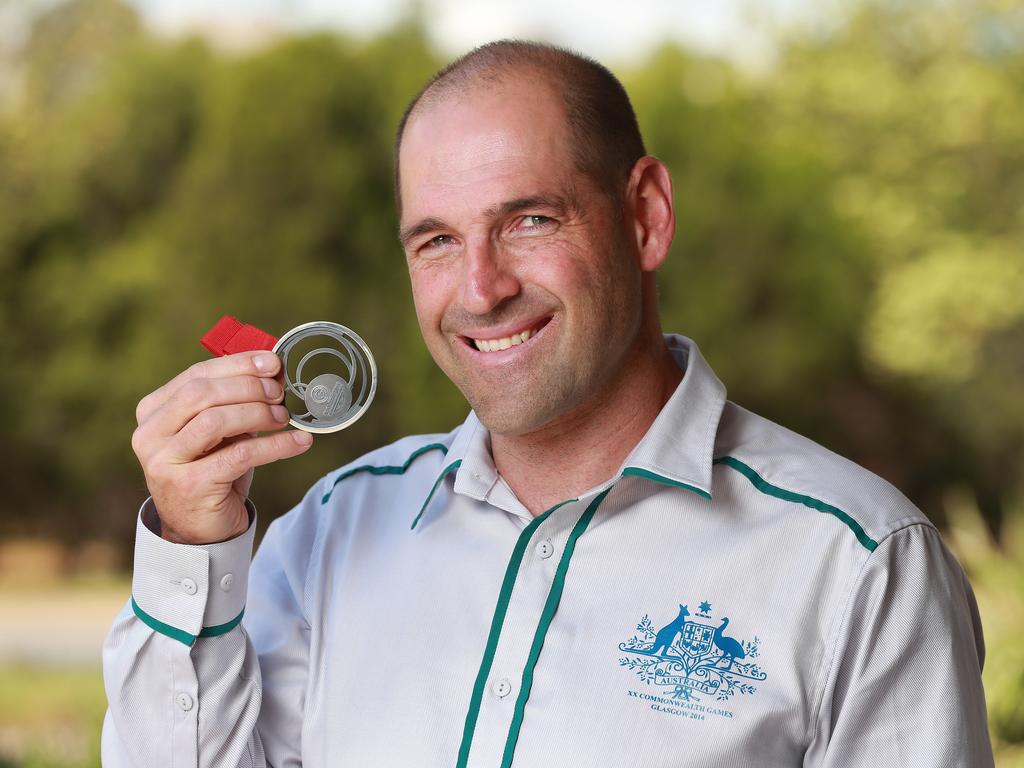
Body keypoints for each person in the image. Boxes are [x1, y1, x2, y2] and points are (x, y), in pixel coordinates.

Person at [102, 40, 994, 767]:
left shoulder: (862, 566)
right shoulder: (332, 529)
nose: (481, 288)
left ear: (645, 215)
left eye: (529, 220)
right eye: (438, 240)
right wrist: (193, 545)